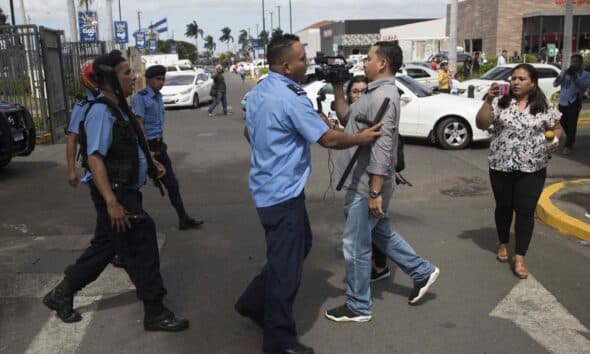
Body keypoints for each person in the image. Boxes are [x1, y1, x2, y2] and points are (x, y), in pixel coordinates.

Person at [235, 34, 382, 354]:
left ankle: (251, 301)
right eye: (302, 58)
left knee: (299, 247)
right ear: (286, 66)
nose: (307, 63)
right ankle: (279, 342)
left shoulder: (261, 89)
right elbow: (328, 140)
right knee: (286, 271)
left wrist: (272, 152)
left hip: (269, 189)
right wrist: (361, 138)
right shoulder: (289, 97)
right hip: (281, 194)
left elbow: (249, 131)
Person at [43, 50, 189, 332]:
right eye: (126, 73)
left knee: (106, 246)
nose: (133, 77)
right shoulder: (100, 111)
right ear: (109, 78)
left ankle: (61, 294)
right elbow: (95, 158)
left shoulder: (118, 106)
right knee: (142, 245)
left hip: (123, 190)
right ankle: (155, 311)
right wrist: (112, 202)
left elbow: (129, 144)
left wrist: (151, 162)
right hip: (117, 193)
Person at [325, 41, 440, 324]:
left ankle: (359, 305)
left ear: (382, 64)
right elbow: (346, 117)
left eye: (368, 57)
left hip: (367, 184)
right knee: (380, 233)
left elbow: (383, 147)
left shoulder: (384, 96)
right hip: (366, 181)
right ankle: (422, 271)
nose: (364, 62)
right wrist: (338, 87)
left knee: (355, 244)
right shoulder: (374, 93)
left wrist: (375, 191)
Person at [476, 63, 563, 279]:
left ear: (532, 83)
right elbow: (481, 123)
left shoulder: (544, 106)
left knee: (525, 211)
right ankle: (503, 243)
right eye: (513, 78)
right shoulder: (500, 102)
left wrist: (557, 139)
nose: (515, 82)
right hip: (501, 166)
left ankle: (520, 256)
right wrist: (488, 100)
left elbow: (558, 127)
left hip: (533, 167)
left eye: (521, 79)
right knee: (504, 207)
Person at [132, 65, 204, 230]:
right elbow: (139, 126)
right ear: (149, 80)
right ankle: (130, 224)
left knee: (172, 184)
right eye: (158, 79)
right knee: (135, 185)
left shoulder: (158, 97)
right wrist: (146, 151)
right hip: (146, 147)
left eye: (163, 79)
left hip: (159, 145)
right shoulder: (141, 98)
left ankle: (183, 218)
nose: (161, 82)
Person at [66, 61, 99, 188]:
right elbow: (72, 139)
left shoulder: (114, 102)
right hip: (95, 166)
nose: (97, 80)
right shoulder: (82, 107)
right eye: (94, 76)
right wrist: (71, 170)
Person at [553, 53, 590, 156]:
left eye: (576, 62)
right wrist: (562, 76)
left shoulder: (585, 74)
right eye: (573, 62)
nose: (574, 64)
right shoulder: (565, 72)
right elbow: (555, 84)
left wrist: (575, 77)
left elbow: (584, 86)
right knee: (563, 122)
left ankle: (568, 145)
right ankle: (571, 138)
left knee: (572, 124)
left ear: (581, 63)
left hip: (574, 102)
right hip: (562, 101)